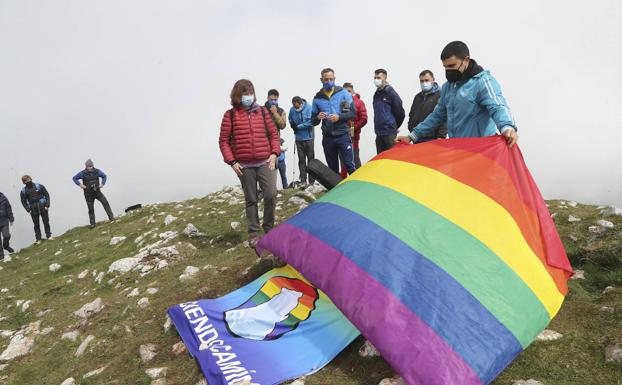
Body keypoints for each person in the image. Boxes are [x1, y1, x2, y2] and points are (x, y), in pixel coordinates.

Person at [397, 41, 518, 146]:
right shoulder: (447, 88)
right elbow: (437, 116)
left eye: (452, 65)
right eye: (445, 67)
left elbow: (498, 106)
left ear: (466, 60)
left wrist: (507, 127)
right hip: (457, 150)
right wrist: (412, 136)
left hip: (481, 150)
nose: (448, 70)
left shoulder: (483, 82)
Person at [219, 79, 281, 248]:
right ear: (237, 95)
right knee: (251, 199)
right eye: (245, 94)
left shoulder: (262, 112)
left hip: (265, 161)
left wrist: (274, 153)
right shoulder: (230, 115)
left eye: (250, 93)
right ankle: (253, 233)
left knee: (270, 194)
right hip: (244, 166)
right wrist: (232, 162)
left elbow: (273, 135)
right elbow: (224, 141)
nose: (248, 96)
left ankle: (269, 228)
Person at [311, 68, 356, 175]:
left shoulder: (343, 93)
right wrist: (318, 117)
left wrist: (339, 117)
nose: (329, 81)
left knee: (349, 165)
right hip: (328, 138)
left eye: (331, 79)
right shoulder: (317, 98)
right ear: (321, 80)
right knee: (333, 169)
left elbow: (352, 113)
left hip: (343, 135)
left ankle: (357, 190)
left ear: (335, 79)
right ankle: (337, 191)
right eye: (326, 79)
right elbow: (313, 121)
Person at [72, 159, 114, 228]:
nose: (90, 168)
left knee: (105, 203)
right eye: (88, 166)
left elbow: (104, 176)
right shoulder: (82, 173)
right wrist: (80, 185)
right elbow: (74, 178)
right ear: (86, 166)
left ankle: (111, 218)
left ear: (93, 166)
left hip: (97, 192)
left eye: (91, 166)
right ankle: (93, 224)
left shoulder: (97, 171)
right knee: (91, 209)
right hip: (88, 194)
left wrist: (102, 184)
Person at [407, 70, 447, 142]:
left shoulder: (440, 95)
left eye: (426, 80)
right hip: (416, 137)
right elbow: (411, 114)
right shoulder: (418, 97)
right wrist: (411, 127)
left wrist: (441, 136)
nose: (424, 83)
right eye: (421, 81)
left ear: (433, 80)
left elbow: (444, 118)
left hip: (432, 138)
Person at [372, 68, 405, 154]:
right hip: (379, 133)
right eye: (375, 78)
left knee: (391, 158)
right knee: (380, 160)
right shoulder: (376, 94)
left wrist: (394, 126)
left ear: (385, 78)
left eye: (379, 78)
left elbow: (400, 112)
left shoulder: (390, 92)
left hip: (389, 133)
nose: (376, 80)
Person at [341, 82, 368, 176]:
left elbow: (364, 118)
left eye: (349, 91)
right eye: (345, 91)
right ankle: (343, 179)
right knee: (343, 157)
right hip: (341, 133)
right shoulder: (340, 102)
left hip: (353, 132)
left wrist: (353, 127)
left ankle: (360, 178)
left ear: (353, 91)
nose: (347, 93)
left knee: (354, 156)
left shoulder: (359, 102)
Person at [288, 96, 315, 186]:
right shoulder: (292, 110)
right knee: (301, 160)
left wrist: (298, 126)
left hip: (309, 138)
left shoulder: (309, 108)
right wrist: (292, 124)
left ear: (301, 103)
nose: (296, 108)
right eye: (294, 106)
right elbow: (290, 118)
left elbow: (311, 122)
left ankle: (311, 181)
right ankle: (303, 180)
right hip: (299, 139)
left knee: (310, 160)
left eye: (297, 106)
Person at [20, 175, 52, 243]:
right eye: (26, 181)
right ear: (24, 182)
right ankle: (38, 239)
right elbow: (23, 201)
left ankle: (49, 236)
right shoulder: (23, 191)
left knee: (46, 222)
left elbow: (46, 195)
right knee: (36, 225)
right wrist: (28, 210)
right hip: (33, 209)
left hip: (43, 206)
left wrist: (47, 205)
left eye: (28, 179)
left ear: (31, 178)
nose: (28, 181)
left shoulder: (39, 186)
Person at [0, 192, 15, 259]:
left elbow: (8, 208)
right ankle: (1, 256)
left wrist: (11, 218)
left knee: (7, 235)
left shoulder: (3, 198)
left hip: (4, 221)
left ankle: (6, 246)